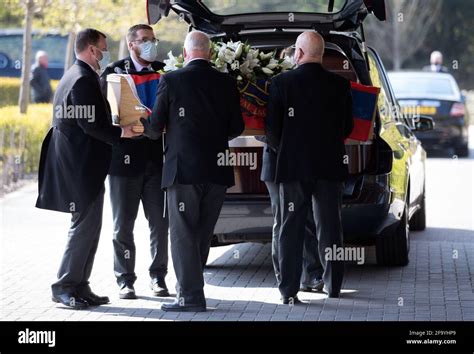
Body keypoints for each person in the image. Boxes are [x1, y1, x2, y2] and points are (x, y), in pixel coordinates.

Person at [36, 28, 141, 309]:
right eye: (104, 48)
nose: (106, 53)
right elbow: (90, 124)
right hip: (80, 168)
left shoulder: (75, 74)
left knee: (91, 227)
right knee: (83, 227)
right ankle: (64, 286)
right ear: (92, 50)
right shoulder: (82, 79)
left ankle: (81, 285)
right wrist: (122, 133)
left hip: (80, 166)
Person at [141, 30, 244, 312]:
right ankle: (191, 289)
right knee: (201, 232)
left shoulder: (171, 80)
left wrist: (143, 119)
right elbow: (237, 128)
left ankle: (189, 297)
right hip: (218, 170)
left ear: (186, 54)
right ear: (209, 54)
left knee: (183, 233)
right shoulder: (226, 82)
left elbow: (155, 126)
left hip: (184, 171)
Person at [265, 31, 353, 304]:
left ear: (299, 54)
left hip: (293, 167)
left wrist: (289, 149)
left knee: (291, 228)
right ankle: (334, 286)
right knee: (331, 228)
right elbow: (347, 127)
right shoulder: (340, 85)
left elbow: (272, 131)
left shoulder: (281, 83)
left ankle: (289, 291)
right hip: (329, 167)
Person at [100, 24, 169, 300]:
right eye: (144, 40)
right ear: (131, 45)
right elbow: (101, 118)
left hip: (157, 161)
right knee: (122, 226)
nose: (150, 44)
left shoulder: (166, 70)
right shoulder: (113, 73)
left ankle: (158, 277)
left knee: (160, 224)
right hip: (123, 162)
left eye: (153, 39)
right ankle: (125, 280)